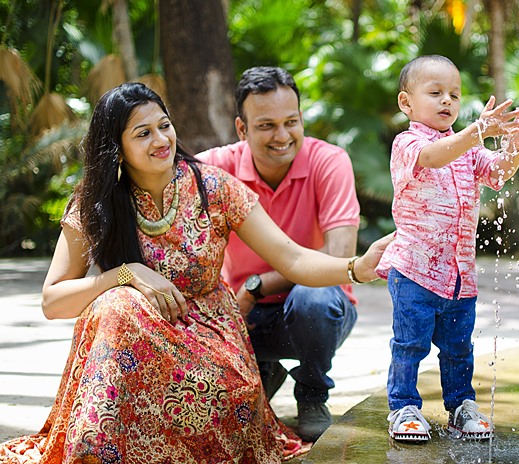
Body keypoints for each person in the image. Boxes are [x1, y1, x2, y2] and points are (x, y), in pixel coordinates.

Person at [0, 82, 391, 463]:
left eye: (164, 126)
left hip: (212, 344)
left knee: (128, 317)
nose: (161, 140)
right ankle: (96, 451)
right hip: (134, 351)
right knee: (117, 306)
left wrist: (357, 267)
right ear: (117, 148)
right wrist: (125, 274)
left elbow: (292, 259)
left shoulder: (214, 187)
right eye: (143, 133)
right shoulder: (95, 201)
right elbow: (53, 302)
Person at [196, 66, 361, 442]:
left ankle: (313, 393)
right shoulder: (216, 167)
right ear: (242, 129)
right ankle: (263, 369)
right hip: (240, 316)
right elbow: (158, 174)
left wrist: (257, 287)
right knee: (220, 430)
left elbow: (339, 257)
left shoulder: (329, 161)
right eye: (266, 125)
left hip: (317, 309)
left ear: (302, 118)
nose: (282, 136)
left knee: (314, 297)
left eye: (291, 122)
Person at [375, 55, 519, 442]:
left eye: (455, 95)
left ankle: (461, 406)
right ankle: (404, 408)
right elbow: (432, 158)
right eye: (435, 93)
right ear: (406, 102)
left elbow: (496, 172)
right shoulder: (408, 143)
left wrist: (512, 147)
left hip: (459, 276)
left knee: (459, 349)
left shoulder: (465, 146)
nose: (447, 101)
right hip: (414, 271)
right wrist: (477, 132)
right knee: (409, 344)